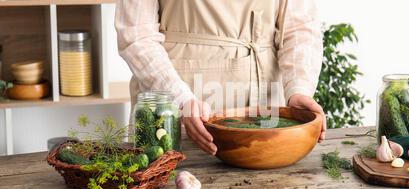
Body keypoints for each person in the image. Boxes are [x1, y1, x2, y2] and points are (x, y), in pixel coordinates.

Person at [115, 0, 326, 155]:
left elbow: (300, 29)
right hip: (178, 109)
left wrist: (299, 87)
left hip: (267, 111)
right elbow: (136, 35)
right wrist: (180, 98)